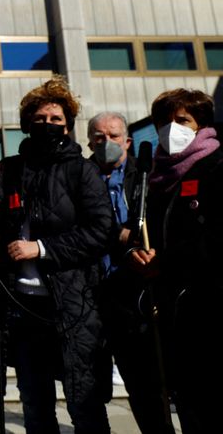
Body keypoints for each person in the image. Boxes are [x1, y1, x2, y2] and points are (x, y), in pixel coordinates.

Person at [0, 77, 112, 434]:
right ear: (26, 124)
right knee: (35, 408)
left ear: (68, 126)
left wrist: (41, 249)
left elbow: (101, 230)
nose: (48, 125)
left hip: (73, 307)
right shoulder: (11, 169)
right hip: (23, 310)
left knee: (84, 406)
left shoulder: (81, 170)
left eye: (57, 120)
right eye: (40, 119)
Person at [130, 89, 223, 433]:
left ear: (201, 125)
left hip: (209, 311)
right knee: (189, 407)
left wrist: (166, 261)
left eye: (182, 121)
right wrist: (136, 255)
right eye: (163, 123)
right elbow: (138, 232)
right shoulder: (155, 179)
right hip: (171, 312)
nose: (172, 129)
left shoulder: (216, 167)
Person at [88, 112, 174, 434]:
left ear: (127, 141)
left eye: (113, 136)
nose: (106, 142)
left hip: (138, 293)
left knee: (149, 384)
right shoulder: (81, 177)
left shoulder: (146, 175)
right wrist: (117, 234)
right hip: (96, 292)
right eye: (98, 137)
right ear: (89, 142)